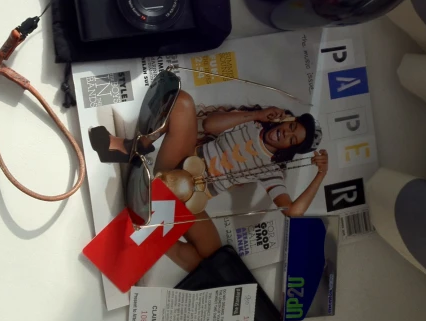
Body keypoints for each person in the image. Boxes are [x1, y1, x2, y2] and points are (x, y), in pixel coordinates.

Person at [89, 91, 328, 272]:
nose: (287, 134)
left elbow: (293, 212)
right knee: (182, 102)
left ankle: (146, 233)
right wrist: (256, 114)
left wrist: (320, 175)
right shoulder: (253, 122)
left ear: (290, 150)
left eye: (292, 140)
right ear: (287, 120)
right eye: (292, 127)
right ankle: (129, 148)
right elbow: (210, 125)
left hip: (192, 197)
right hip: (180, 161)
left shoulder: (272, 170)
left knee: (213, 259)